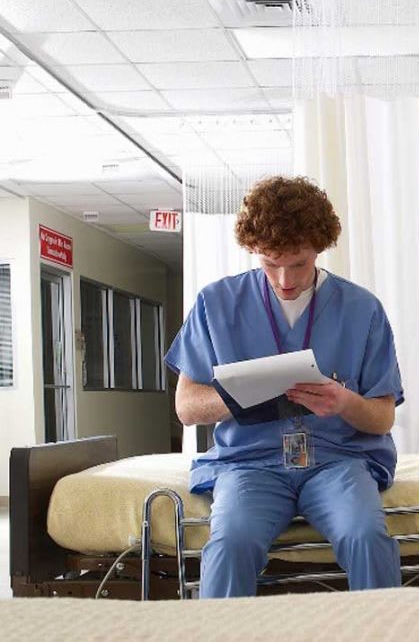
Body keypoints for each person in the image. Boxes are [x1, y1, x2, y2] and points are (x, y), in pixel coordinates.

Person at [164, 175, 404, 598]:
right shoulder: (216, 304)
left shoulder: (362, 309)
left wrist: (344, 402)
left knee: (365, 535)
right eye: (269, 263)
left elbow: (383, 416)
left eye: (299, 263)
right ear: (253, 250)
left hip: (337, 459)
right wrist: (241, 393)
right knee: (230, 543)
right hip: (250, 463)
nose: (285, 279)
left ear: (319, 248)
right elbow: (186, 407)